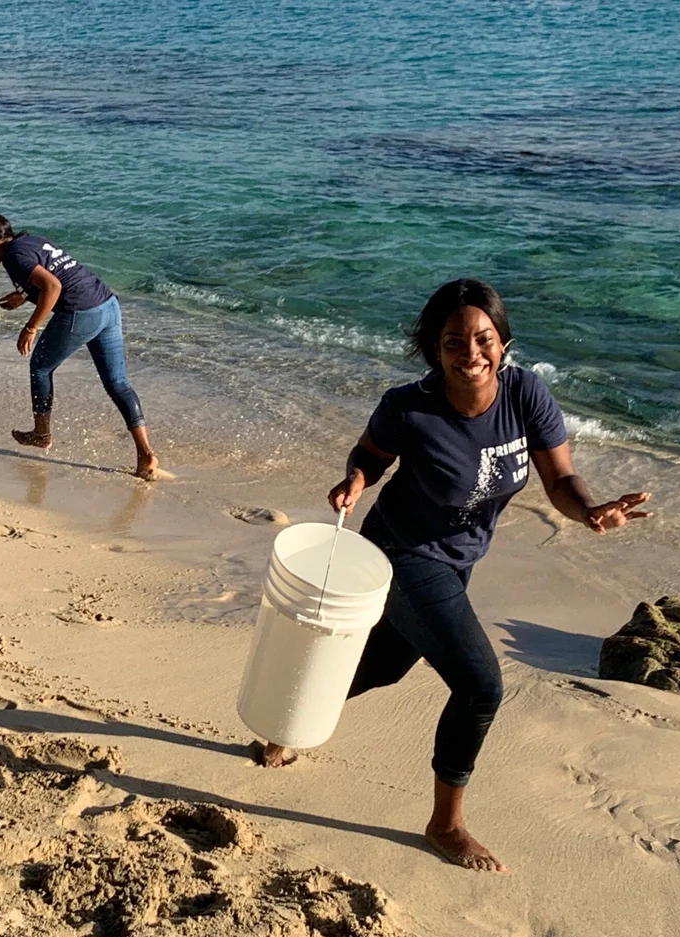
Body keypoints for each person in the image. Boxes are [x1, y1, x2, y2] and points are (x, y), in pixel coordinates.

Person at [262, 278, 651, 873]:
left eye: (482, 339)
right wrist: (356, 480)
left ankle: (284, 719)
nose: (470, 353)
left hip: (457, 560)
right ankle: (446, 825)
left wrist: (591, 510)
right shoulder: (409, 406)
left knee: (384, 666)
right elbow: (370, 454)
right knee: (480, 685)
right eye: (453, 342)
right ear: (435, 350)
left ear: (504, 343)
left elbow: (561, 481)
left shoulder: (526, 395)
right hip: (400, 552)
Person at [0, 212, 159, 480]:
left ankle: (41, 434)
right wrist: (23, 296)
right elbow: (57, 272)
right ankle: (145, 454)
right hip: (107, 304)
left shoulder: (13, 257)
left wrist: (30, 327)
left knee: (40, 367)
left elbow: (53, 286)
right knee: (118, 383)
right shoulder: (29, 240)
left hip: (81, 312)